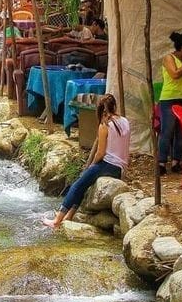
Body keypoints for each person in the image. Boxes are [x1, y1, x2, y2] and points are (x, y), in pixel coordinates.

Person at [43, 93, 130, 229]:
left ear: (100, 110)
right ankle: (69, 216)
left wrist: (93, 165)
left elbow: (101, 152)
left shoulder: (104, 125)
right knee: (84, 183)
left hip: (108, 164)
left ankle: (56, 221)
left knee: (77, 185)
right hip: (120, 168)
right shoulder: (125, 121)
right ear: (115, 106)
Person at [157, 31, 182, 175]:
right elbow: (175, 74)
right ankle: (161, 162)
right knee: (167, 130)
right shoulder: (169, 58)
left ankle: (176, 162)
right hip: (170, 99)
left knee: (181, 132)